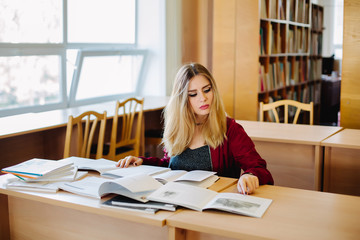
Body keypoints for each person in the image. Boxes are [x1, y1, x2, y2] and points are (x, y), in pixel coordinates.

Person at [116, 63, 274, 194]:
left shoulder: (230, 129)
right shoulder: (177, 128)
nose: (203, 98)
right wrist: (142, 161)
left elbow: (258, 167)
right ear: (182, 99)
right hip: (176, 200)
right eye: (193, 94)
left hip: (212, 204)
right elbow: (171, 165)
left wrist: (251, 175)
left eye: (207, 90)